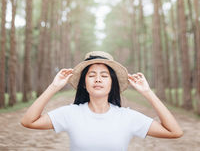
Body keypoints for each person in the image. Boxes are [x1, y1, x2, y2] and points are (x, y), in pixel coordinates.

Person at [21, 51, 183, 151]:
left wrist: (148, 93)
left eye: (104, 76)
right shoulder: (71, 113)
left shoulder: (127, 117)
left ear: (112, 83)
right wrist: (53, 86)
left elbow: (174, 132)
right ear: (84, 84)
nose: (98, 79)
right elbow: (29, 121)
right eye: (91, 75)